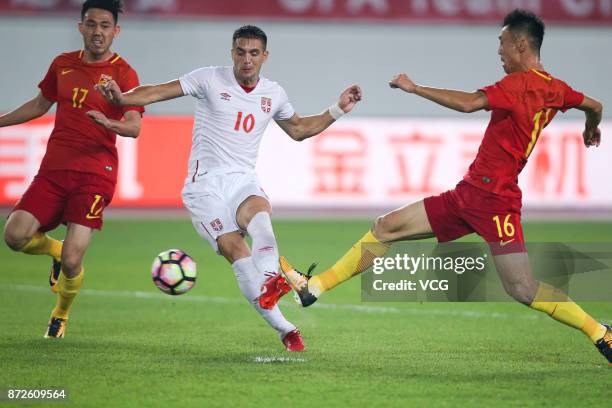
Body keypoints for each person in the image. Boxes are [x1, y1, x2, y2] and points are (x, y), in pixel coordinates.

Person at [261, 9, 612, 364]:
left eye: (502, 43)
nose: (499, 51)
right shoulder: (557, 89)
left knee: (521, 287)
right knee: (386, 227)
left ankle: (600, 332)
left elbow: (469, 103)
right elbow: (594, 105)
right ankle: (314, 288)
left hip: (495, 203)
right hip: (468, 196)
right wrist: (590, 126)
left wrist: (415, 88)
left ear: (522, 44)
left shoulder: (517, 85)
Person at [97, 25, 362, 352]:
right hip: (204, 187)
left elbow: (299, 129)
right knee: (237, 251)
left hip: (242, 180)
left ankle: (270, 283)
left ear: (265, 56)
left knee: (261, 219)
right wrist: (123, 98)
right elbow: (158, 91)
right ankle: (286, 329)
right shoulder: (209, 79)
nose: (246, 59)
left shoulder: (273, 93)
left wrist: (338, 109)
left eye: (253, 53)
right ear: (232, 52)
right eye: (240, 52)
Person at [2, 0, 144, 339]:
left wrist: (107, 120)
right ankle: (53, 248)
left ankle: (60, 314)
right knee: (14, 236)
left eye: (105, 26)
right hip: (54, 169)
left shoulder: (125, 74)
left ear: (116, 31)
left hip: (96, 172)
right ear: (80, 26)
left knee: (72, 261)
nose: (98, 32)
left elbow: (134, 127)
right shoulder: (62, 64)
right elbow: (39, 104)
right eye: (91, 24)